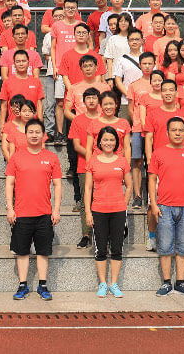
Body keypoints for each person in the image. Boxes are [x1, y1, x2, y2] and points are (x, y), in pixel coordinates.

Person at [5, 119, 62, 301]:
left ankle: (42, 285)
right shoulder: (16, 157)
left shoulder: (51, 157)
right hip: (21, 213)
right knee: (22, 251)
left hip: (44, 213)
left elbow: (57, 185)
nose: (34, 135)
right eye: (31, 132)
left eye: (38, 132)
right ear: (26, 134)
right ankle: (23, 285)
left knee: (43, 251)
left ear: (44, 135)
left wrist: (56, 210)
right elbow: (9, 184)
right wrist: (10, 208)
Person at [148, 117, 184, 297]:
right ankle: (166, 283)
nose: (177, 133)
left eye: (180, 130)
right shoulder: (158, 153)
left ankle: (180, 282)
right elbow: (152, 179)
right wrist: (154, 204)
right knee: (165, 246)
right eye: (174, 130)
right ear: (167, 132)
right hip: (164, 206)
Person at [85, 126, 133, 298]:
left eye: (112, 139)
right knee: (100, 249)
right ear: (99, 142)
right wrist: (88, 212)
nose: (108, 142)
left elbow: (129, 186)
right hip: (99, 210)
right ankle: (103, 283)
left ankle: (113, 283)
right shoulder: (93, 161)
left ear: (116, 142)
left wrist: (123, 203)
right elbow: (88, 188)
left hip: (118, 211)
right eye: (105, 139)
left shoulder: (122, 161)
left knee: (117, 248)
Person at [68, 87, 102, 248]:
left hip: (105, 165)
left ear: (99, 100)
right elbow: (76, 145)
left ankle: (102, 234)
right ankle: (86, 235)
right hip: (84, 166)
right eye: (88, 98)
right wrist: (93, 157)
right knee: (85, 201)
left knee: (102, 200)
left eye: (94, 97)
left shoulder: (104, 119)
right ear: (84, 101)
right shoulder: (77, 120)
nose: (91, 100)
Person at [126, 52, 157, 208]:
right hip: (138, 128)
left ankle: (154, 195)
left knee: (155, 162)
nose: (147, 66)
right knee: (137, 161)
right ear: (139, 65)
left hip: (156, 131)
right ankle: (137, 196)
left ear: (154, 64)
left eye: (150, 63)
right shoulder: (134, 85)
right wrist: (138, 123)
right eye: (144, 63)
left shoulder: (159, 83)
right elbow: (131, 109)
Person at [50, 0, 82, 141]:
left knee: (78, 101)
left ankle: (78, 130)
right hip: (61, 69)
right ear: (63, 9)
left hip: (78, 70)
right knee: (60, 102)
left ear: (77, 9)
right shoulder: (56, 26)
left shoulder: (81, 25)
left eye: (73, 8)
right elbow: (53, 47)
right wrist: (54, 66)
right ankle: (59, 132)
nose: (70, 10)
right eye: (68, 7)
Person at [0, 50, 44, 135]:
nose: (21, 64)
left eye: (23, 61)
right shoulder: (7, 82)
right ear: (14, 64)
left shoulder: (36, 82)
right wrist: (2, 127)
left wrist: (41, 124)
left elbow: (39, 105)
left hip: (32, 127)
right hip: (13, 126)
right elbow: (3, 106)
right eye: (18, 61)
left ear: (28, 63)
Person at [57, 22, 106, 89]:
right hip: (72, 93)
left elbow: (98, 76)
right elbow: (65, 77)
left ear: (88, 35)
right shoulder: (66, 55)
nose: (81, 35)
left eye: (84, 33)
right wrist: (73, 91)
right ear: (74, 35)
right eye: (78, 32)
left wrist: (90, 92)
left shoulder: (96, 56)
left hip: (91, 93)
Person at [41, 7, 64, 140]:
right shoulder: (48, 36)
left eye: (61, 16)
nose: (59, 18)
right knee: (50, 103)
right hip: (51, 72)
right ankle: (50, 131)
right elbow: (47, 55)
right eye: (56, 16)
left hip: (66, 72)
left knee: (64, 103)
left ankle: (63, 132)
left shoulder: (70, 33)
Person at [111, 28, 144, 121]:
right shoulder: (122, 60)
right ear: (128, 41)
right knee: (124, 126)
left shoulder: (148, 58)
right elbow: (118, 81)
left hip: (144, 101)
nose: (134, 42)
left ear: (142, 41)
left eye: (137, 39)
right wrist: (129, 95)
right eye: (132, 39)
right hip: (126, 100)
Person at [104, 12, 134, 80]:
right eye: (121, 21)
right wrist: (110, 78)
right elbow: (109, 60)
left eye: (125, 21)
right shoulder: (113, 39)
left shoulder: (134, 38)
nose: (123, 23)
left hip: (132, 74)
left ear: (129, 23)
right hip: (116, 75)